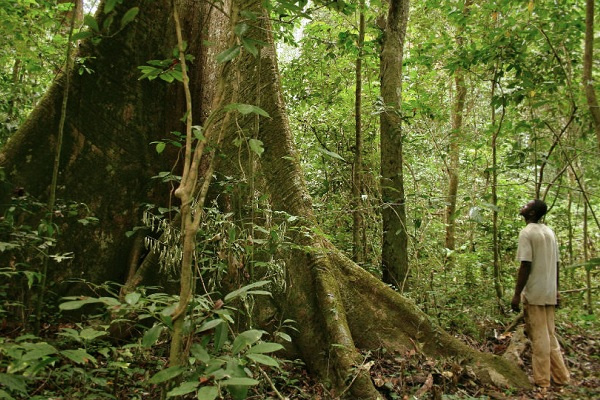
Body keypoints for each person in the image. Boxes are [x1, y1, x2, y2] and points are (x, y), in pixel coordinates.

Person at [511, 199, 570, 389]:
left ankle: (542, 380)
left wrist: (517, 293)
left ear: (532, 214)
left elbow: (525, 265)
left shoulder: (527, 232)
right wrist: (556, 289)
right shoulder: (549, 232)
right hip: (549, 291)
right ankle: (562, 377)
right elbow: (557, 264)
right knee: (550, 335)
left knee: (539, 337)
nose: (523, 206)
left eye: (527, 205)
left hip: (535, 292)